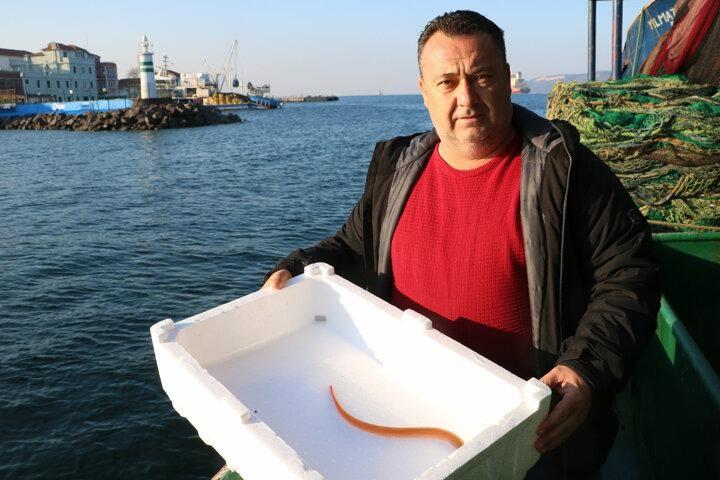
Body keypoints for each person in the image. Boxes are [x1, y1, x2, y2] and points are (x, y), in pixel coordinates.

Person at [263, 10, 660, 479]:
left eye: (482, 77)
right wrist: (295, 268)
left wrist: (584, 369)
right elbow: (352, 248)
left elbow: (629, 273)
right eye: (447, 82)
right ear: (424, 90)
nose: (466, 98)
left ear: (506, 79)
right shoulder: (396, 170)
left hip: (532, 437)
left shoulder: (565, 170)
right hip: (412, 419)